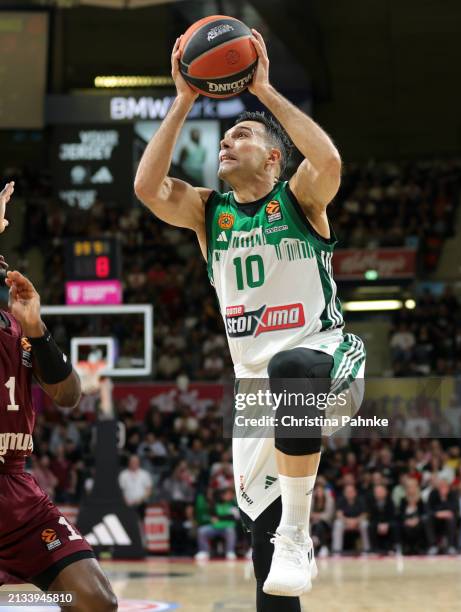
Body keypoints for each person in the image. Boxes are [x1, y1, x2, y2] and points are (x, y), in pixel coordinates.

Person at [135, 30, 365, 610]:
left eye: (243, 134)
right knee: (269, 574)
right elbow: (147, 187)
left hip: (327, 359)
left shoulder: (301, 198)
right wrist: (184, 97)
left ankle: (298, 530)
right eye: (225, 137)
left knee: (292, 363)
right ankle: (282, 541)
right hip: (257, 397)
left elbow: (329, 159)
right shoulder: (208, 214)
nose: (226, 143)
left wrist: (261, 89)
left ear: (273, 157)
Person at [0, 185, 117, 610]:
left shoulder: (16, 328)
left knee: (94, 601)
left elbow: (69, 394)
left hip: (17, 492)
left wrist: (37, 329)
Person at [195, 487, 239, 561]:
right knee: (202, 531)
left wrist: (220, 518)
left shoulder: (233, 503)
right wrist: (226, 517)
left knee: (230, 531)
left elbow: (235, 517)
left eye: (231, 495)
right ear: (222, 495)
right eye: (228, 494)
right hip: (215, 527)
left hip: (227, 527)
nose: (230, 496)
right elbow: (213, 517)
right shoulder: (215, 503)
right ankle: (204, 551)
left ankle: (230, 551)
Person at [332, 484, 370, 554]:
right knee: (337, 524)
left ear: (355, 492)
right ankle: (337, 550)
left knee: (365, 524)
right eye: (347, 492)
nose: (349, 493)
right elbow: (339, 514)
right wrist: (348, 521)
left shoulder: (360, 500)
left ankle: (367, 549)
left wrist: (356, 521)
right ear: (344, 493)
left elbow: (365, 514)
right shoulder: (341, 500)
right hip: (345, 522)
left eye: (351, 491)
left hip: (358, 522)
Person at [118, 454, 153, 521]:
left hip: (141, 504)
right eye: (132, 461)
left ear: (139, 462)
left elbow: (149, 491)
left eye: (135, 461)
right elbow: (120, 490)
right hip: (127, 504)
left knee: (141, 522)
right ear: (129, 462)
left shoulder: (144, 474)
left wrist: (140, 500)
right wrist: (126, 501)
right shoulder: (123, 474)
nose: (134, 463)